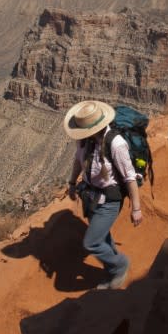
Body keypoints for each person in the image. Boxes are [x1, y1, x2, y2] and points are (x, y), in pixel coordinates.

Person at [63, 100, 143, 290]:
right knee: (103, 237)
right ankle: (113, 270)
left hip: (109, 201)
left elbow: (130, 177)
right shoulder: (84, 140)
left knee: (92, 242)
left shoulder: (116, 144)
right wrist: (73, 183)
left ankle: (119, 265)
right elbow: (78, 161)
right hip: (89, 197)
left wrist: (136, 208)